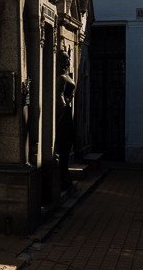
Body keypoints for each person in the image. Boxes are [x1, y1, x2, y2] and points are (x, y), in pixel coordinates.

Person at [55, 48, 76, 190]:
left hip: (69, 115)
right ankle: (62, 175)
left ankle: (66, 172)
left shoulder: (68, 76)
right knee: (62, 146)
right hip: (64, 114)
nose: (67, 61)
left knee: (68, 145)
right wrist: (64, 105)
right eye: (65, 59)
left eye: (68, 59)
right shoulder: (61, 78)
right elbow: (59, 95)